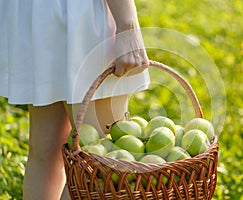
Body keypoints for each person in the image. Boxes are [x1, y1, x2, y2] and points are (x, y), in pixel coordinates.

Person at [0, 0, 149, 199]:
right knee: (104, 162)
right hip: (80, 14)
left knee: (47, 152)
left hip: (32, 13)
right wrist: (127, 24)